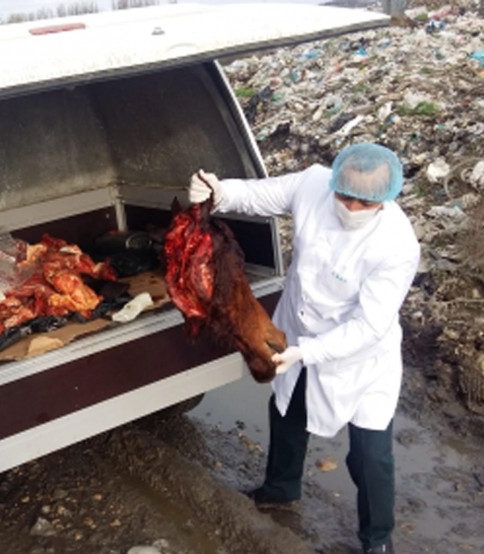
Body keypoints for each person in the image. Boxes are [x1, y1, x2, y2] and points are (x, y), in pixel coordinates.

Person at [188, 143, 420, 554]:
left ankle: (377, 538)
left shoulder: (396, 246)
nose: (350, 206)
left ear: (384, 200)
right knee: (287, 410)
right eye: (344, 194)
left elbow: (368, 325)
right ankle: (279, 488)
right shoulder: (313, 184)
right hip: (298, 325)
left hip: (359, 359)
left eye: (364, 201)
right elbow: (258, 196)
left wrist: (307, 352)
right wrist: (217, 190)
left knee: (371, 455)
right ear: (333, 182)